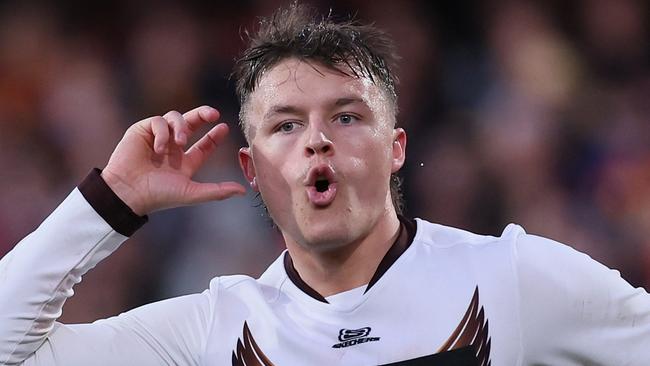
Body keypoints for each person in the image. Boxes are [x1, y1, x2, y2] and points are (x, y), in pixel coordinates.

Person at [1, 4, 649, 366]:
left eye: (345, 116)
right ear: (252, 171)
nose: (317, 140)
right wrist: (109, 200)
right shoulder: (212, 330)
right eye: (286, 125)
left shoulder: (513, 278)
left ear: (396, 147)